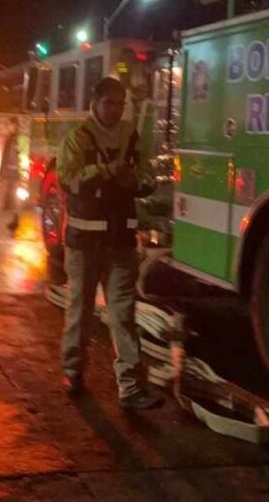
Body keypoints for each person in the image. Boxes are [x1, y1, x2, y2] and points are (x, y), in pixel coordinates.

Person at [57, 77, 162, 410]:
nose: (114, 110)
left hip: (120, 244)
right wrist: (104, 171)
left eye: (120, 104)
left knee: (123, 315)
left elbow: (148, 180)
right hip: (84, 244)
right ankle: (73, 373)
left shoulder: (132, 136)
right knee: (80, 312)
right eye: (109, 103)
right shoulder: (78, 137)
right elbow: (68, 178)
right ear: (95, 103)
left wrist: (137, 180)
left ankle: (131, 388)